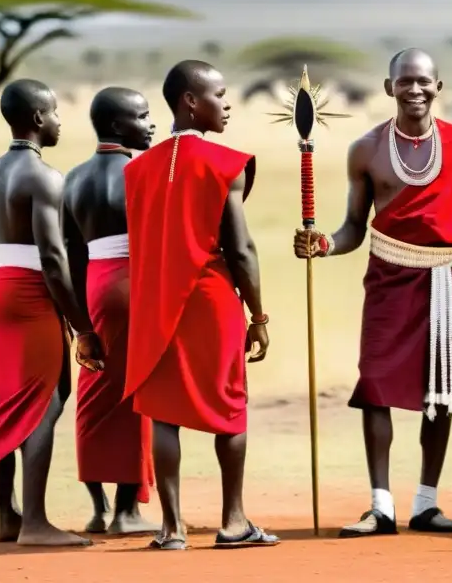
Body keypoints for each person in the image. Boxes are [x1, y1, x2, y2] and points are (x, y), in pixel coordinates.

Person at [293, 48, 452, 538]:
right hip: (389, 278)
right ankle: (381, 506)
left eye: (423, 81)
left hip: (449, 279)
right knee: (375, 384)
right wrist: (324, 244)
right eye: (405, 81)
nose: (415, 89)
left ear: (439, 86)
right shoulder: (365, 149)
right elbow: (353, 226)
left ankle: (427, 503)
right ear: (388, 87)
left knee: (442, 394)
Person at [122, 60, 276, 551]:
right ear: (191, 101)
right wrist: (259, 316)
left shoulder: (137, 168)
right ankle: (233, 522)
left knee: (164, 412)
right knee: (229, 407)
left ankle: (171, 529)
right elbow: (242, 249)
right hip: (210, 299)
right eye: (218, 94)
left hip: (154, 301)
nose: (226, 104)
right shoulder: (224, 163)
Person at [0, 79, 104, 547]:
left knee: (13, 402)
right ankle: (35, 523)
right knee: (42, 405)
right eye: (53, 113)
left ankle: (8, 517)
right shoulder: (47, 178)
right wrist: (83, 328)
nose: (59, 121)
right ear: (36, 119)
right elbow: (53, 258)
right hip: (31, 293)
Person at [63, 87, 159, 535]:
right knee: (137, 395)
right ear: (119, 126)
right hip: (134, 282)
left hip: (93, 287)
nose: (151, 124)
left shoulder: (73, 178)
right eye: (143, 116)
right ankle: (127, 512)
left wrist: (80, 323)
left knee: (94, 392)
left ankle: (100, 508)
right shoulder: (143, 171)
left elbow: (69, 251)